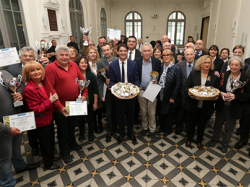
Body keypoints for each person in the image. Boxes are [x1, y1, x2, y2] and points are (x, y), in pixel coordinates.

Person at [43, 45, 88, 165]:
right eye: (61, 55)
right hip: (61, 107)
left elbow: (82, 80)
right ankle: (65, 152)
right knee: (62, 130)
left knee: (72, 127)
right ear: (56, 56)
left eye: (66, 55)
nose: (64, 57)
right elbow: (50, 88)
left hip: (74, 105)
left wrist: (84, 94)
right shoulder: (50, 68)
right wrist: (59, 107)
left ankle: (72, 143)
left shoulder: (73, 65)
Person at [0, 70, 40, 187]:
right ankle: (8, 183)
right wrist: (6, 130)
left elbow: (20, 84)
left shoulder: (4, 73)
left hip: (16, 120)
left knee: (16, 147)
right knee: (4, 157)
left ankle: (20, 166)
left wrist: (20, 93)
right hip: (3, 128)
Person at [7, 46, 49, 156]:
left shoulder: (41, 65)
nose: (28, 58)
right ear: (20, 57)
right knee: (29, 126)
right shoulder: (12, 69)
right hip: (22, 103)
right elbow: (9, 85)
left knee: (42, 126)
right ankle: (34, 146)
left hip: (39, 102)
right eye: (25, 56)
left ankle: (45, 145)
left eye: (31, 56)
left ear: (34, 57)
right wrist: (18, 94)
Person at [22, 61, 60, 170]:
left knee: (51, 140)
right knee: (45, 143)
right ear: (27, 73)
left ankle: (51, 157)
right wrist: (50, 100)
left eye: (38, 69)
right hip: (40, 121)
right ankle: (49, 164)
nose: (36, 72)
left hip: (49, 118)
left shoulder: (43, 82)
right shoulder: (29, 89)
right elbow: (35, 110)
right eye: (32, 70)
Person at [209, 56, 250, 153]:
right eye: (232, 64)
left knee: (229, 127)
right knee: (218, 123)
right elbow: (217, 88)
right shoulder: (224, 75)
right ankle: (214, 139)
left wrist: (236, 97)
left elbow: (248, 94)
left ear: (241, 66)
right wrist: (221, 93)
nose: (234, 67)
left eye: (236, 65)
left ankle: (225, 143)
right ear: (229, 65)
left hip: (235, 106)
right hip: (222, 104)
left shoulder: (246, 78)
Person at [185, 55, 219, 150]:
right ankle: (189, 138)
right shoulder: (194, 73)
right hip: (193, 103)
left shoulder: (213, 75)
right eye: (205, 62)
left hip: (206, 105)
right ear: (200, 63)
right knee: (191, 123)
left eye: (209, 62)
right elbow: (186, 87)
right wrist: (189, 93)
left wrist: (215, 98)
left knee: (202, 124)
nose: (207, 64)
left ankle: (199, 141)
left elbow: (216, 90)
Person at [109, 43, 140, 144]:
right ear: (117, 52)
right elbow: (112, 81)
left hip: (131, 95)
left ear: (127, 52)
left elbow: (136, 79)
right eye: (121, 51)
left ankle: (130, 132)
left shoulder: (133, 64)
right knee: (120, 115)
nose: (123, 53)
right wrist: (115, 89)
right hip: (119, 96)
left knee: (131, 115)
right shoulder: (112, 65)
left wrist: (136, 88)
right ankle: (122, 133)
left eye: (125, 51)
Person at [134, 43, 161, 140]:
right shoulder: (136, 61)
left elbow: (160, 74)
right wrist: (137, 86)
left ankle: (152, 130)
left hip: (152, 89)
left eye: (148, 50)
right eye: (144, 51)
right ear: (141, 52)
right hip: (141, 90)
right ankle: (145, 128)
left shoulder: (156, 62)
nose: (146, 53)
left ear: (151, 52)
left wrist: (157, 82)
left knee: (152, 112)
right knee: (144, 111)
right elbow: (134, 75)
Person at [96, 43, 118, 142]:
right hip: (107, 91)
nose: (106, 52)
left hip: (117, 90)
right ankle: (109, 130)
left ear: (111, 50)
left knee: (117, 110)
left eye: (107, 50)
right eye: (104, 50)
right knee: (108, 112)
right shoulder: (100, 62)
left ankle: (115, 126)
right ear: (102, 52)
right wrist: (101, 94)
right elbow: (100, 79)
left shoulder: (117, 60)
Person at [158, 49, 182, 136]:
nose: (166, 56)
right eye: (164, 55)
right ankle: (161, 127)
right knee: (161, 112)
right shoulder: (161, 66)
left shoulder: (176, 68)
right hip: (160, 93)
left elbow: (178, 84)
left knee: (168, 113)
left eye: (168, 55)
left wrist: (173, 97)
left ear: (172, 56)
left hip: (170, 93)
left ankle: (167, 129)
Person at [75, 56, 98, 143]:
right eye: (82, 62)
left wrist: (95, 103)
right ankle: (81, 134)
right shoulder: (75, 75)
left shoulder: (91, 75)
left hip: (90, 101)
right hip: (79, 102)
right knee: (80, 119)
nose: (84, 64)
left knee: (90, 119)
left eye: (85, 63)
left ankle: (91, 134)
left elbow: (95, 90)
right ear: (78, 64)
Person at [175, 48, 196, 135]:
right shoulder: (180, 64)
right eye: (187, 54)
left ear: (194, 55)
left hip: (194, 92)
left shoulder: (198, 64)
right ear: (184, 56)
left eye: (191, 54)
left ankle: (189, 128)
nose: (189, 56)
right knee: (181, 111)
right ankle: (179, 127)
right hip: (182, 91)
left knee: (191, 112)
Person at [86, 46, 103, 134]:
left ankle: (100, 122)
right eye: (91, 52)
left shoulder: (99, 63)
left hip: (100, 89)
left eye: (94, 52)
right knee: (93, 108)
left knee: (99, 108)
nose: (93, 54)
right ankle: (94, 125)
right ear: (88, 54)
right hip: (91, 90)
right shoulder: (86, 65)